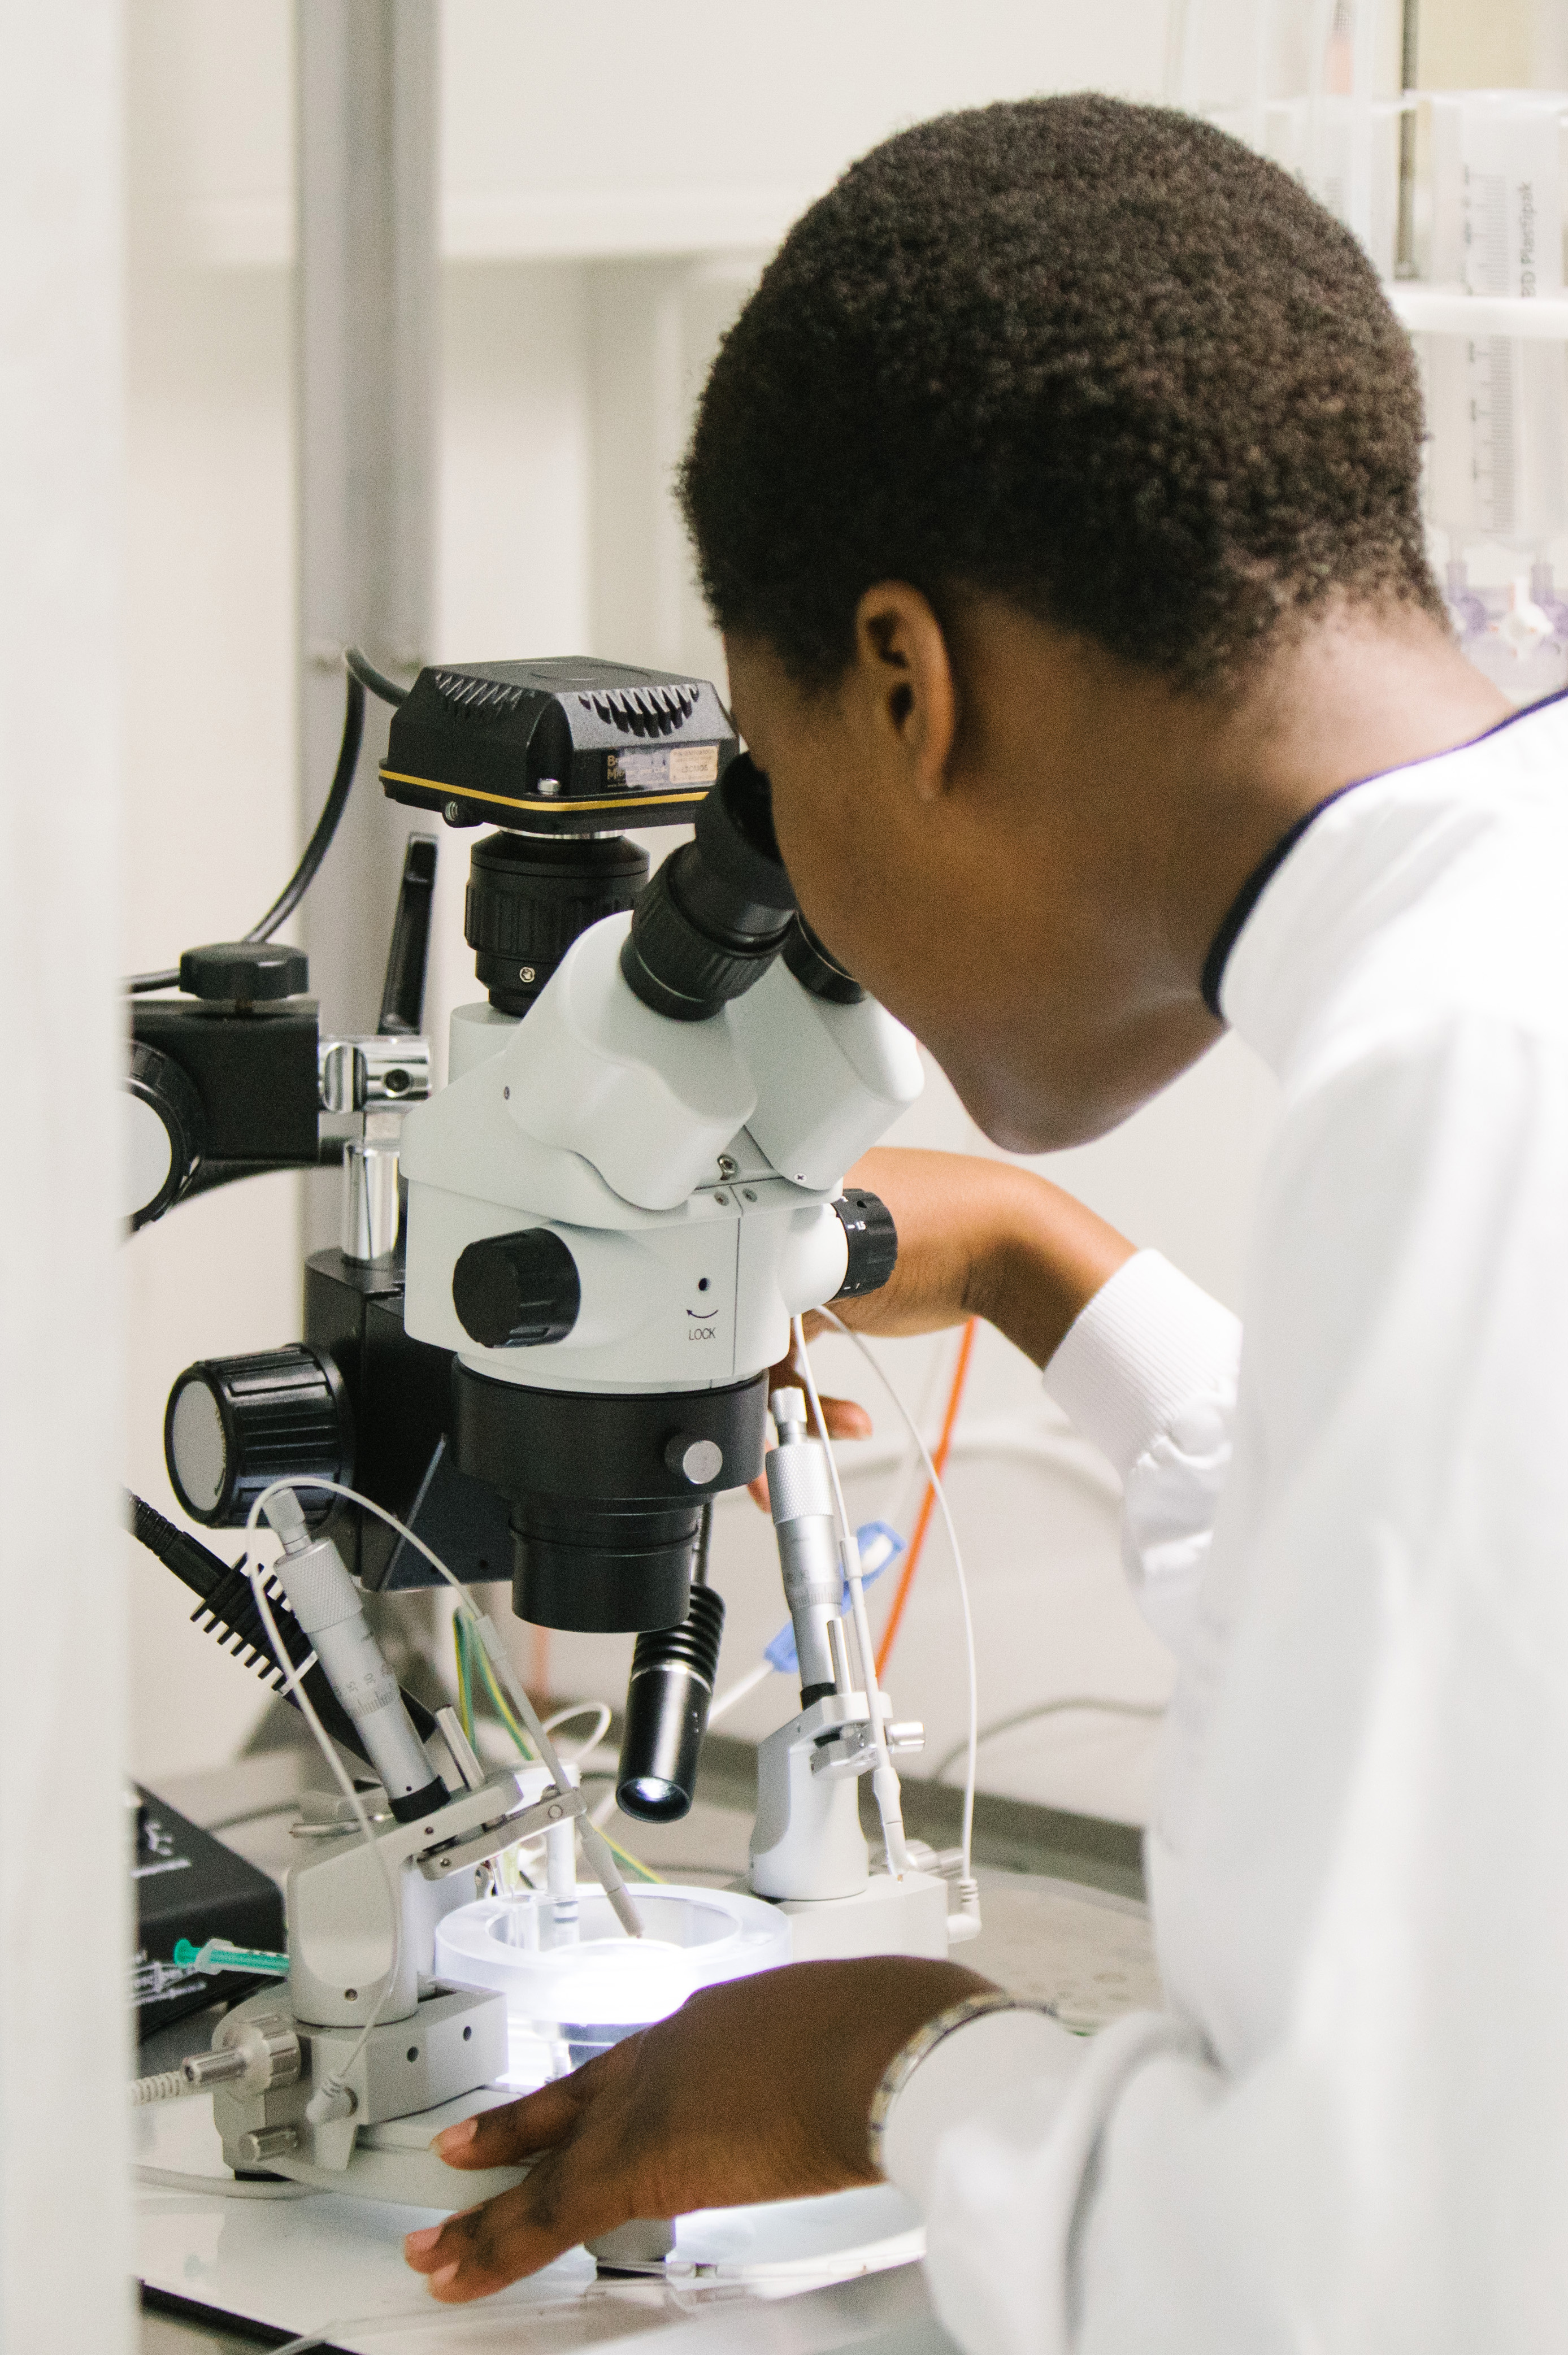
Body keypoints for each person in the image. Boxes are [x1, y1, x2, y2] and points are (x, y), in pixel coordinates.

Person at [405, 94, 1568, 2347]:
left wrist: (899, 2064)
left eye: (774, 771)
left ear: (908, 685)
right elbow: (1448, 1598)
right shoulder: (1494, 973)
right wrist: (1048, 1268)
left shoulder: (1461, 1082)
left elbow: (1351, 2286)